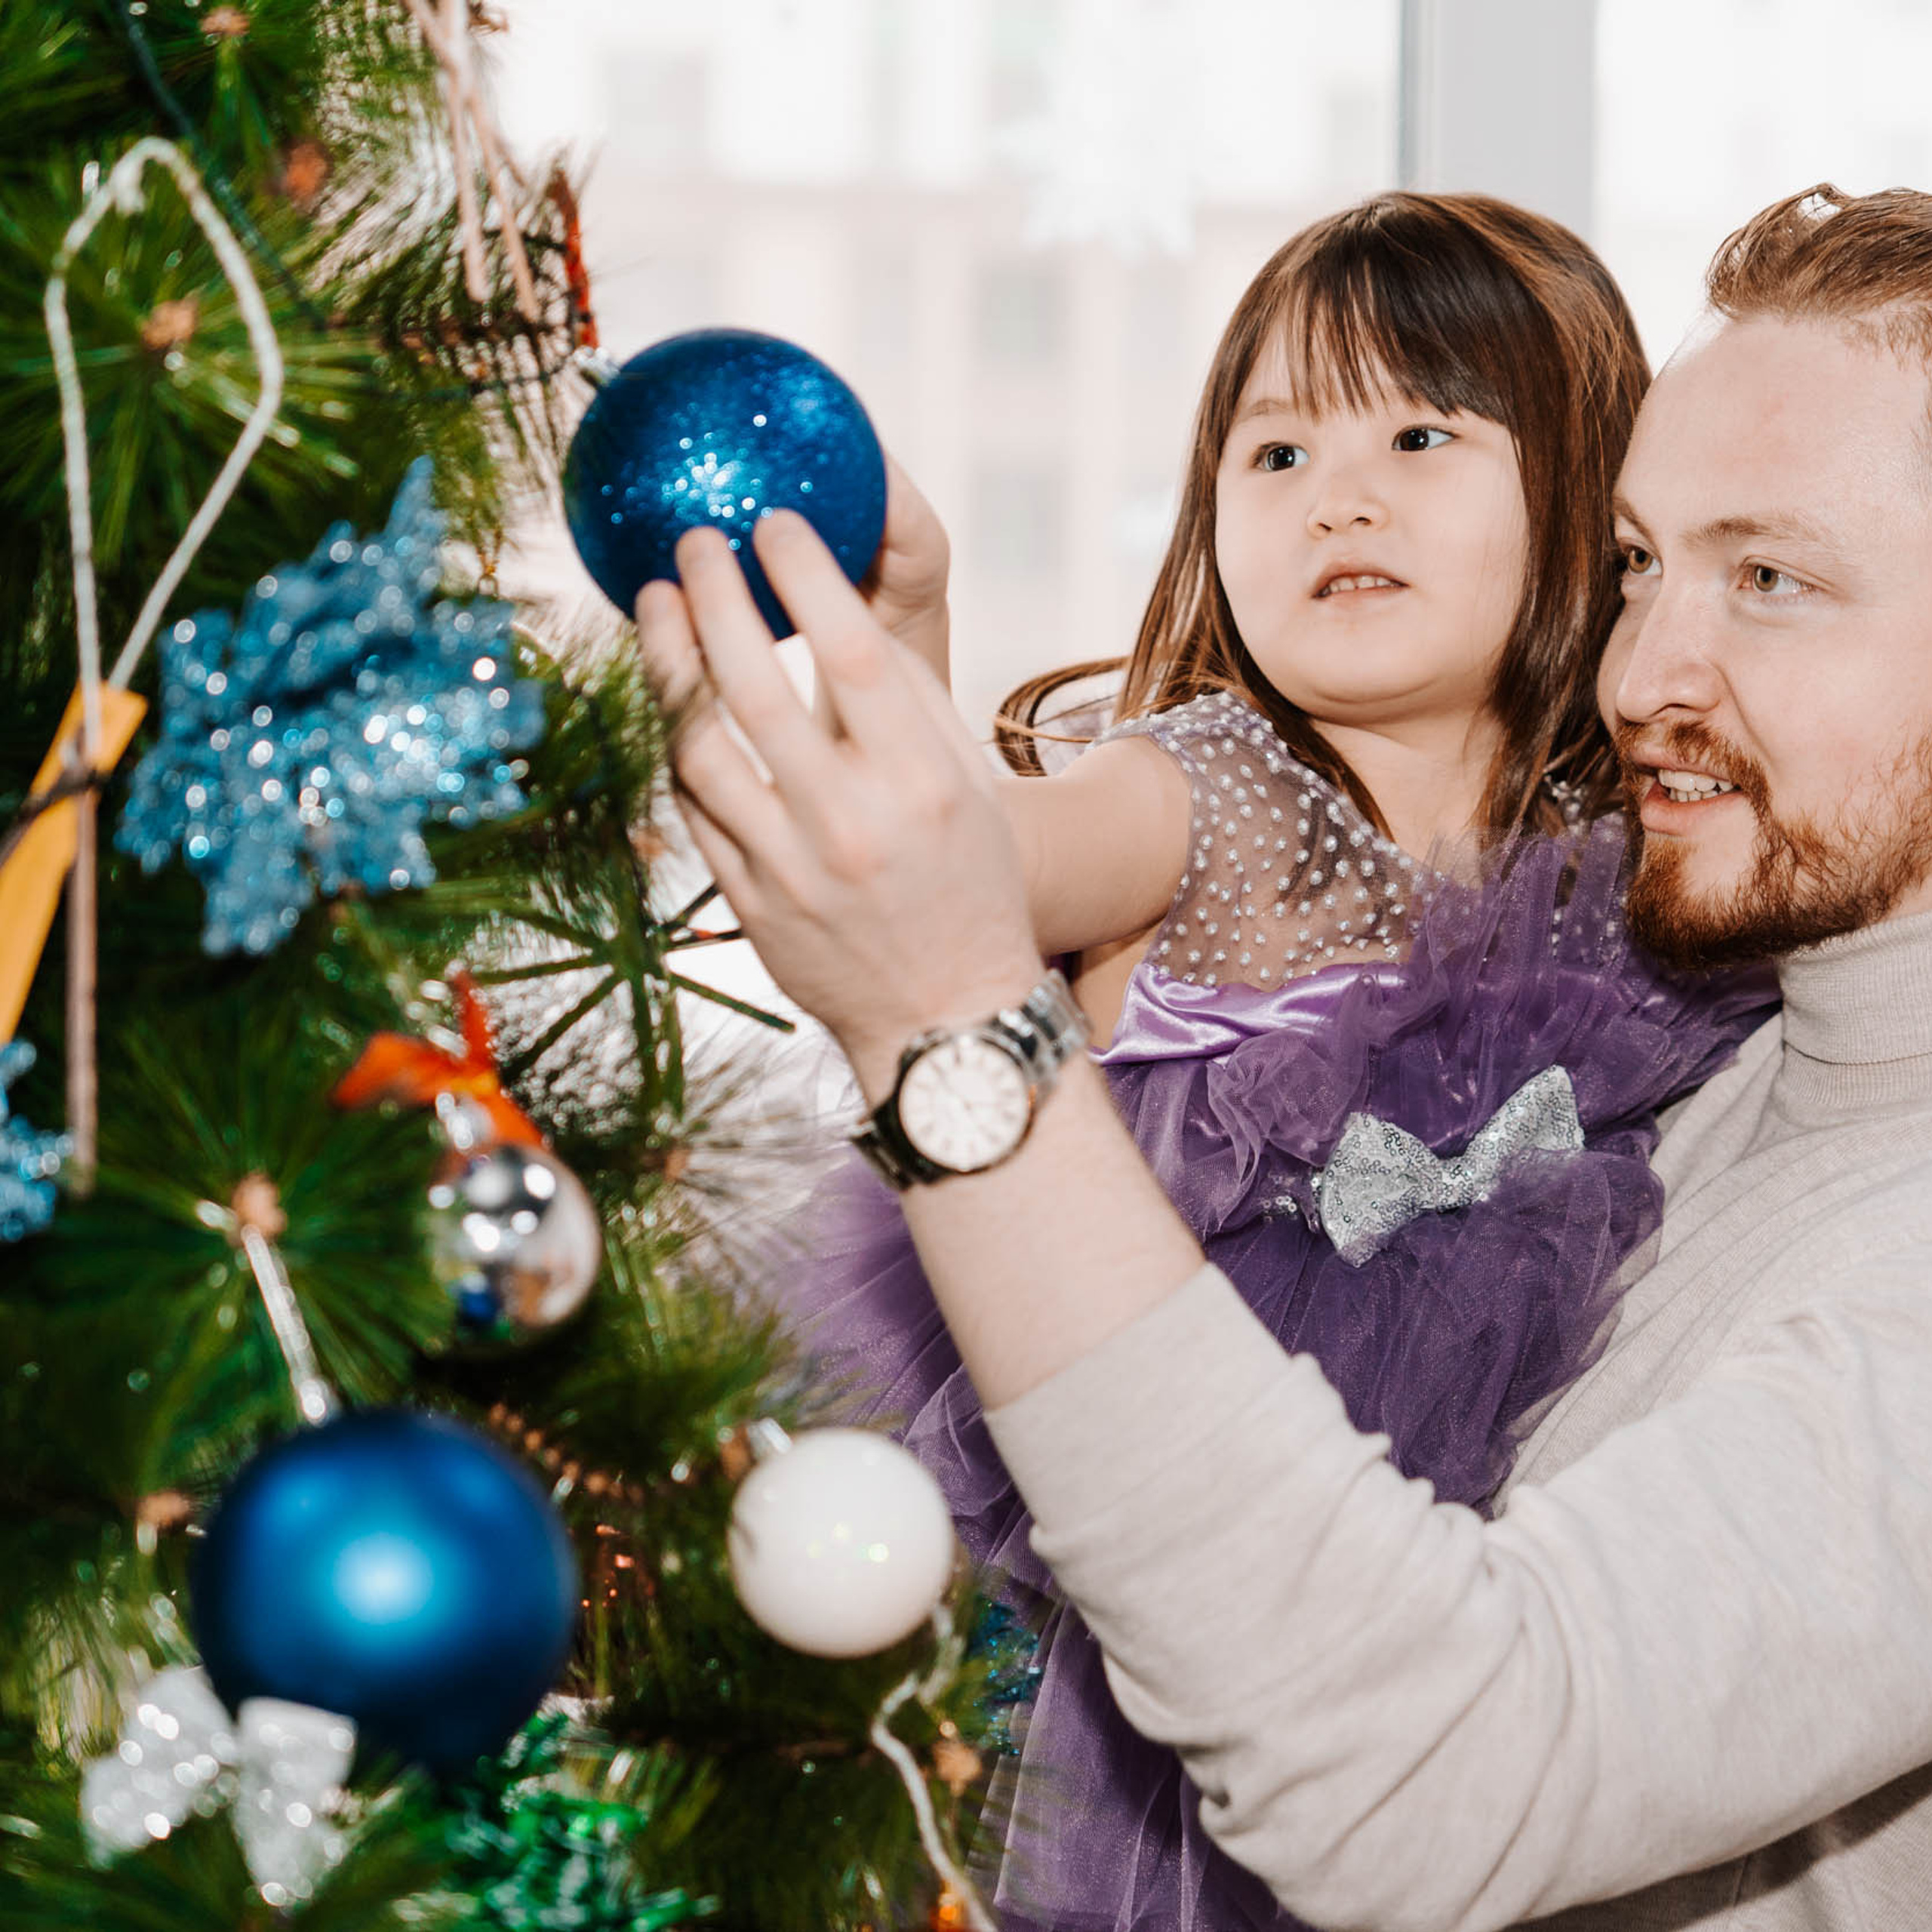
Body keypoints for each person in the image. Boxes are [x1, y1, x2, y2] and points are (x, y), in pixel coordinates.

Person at [640, 180, 1932, 1930]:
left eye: (1769, 576)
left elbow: (1441, 1771)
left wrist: (946, 1015)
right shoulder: (1716, 1003)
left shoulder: (1663, 972)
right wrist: (900, 756)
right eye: (1642, 564)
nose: (1644, 669)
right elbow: (1019, 856)